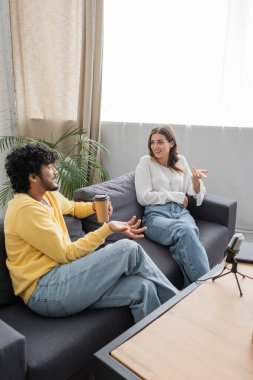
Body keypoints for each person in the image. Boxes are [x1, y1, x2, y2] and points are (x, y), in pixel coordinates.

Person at [4, 143, 178, 324]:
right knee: (128, 248)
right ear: (33, 177)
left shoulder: (47, 196)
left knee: (143, 288)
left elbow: (72, 207)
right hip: (44, 290)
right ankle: (179, 306)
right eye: (49, 167)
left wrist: (94, 206)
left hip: (61, 278)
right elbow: (66, 254)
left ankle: (152, 346)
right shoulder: (25, 210)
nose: (55, 171)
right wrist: (107, 228)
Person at [135, 124, 210, 287]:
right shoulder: (145, 162)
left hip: (180, 213)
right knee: (186, 231)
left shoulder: (181, 161)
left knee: (186, 240)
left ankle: (187, 295)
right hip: (155, 216)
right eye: (152, 142)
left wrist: (196, 181)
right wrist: (176, 196)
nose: (155, 146)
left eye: (160, 142)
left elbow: (192, 191)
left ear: (171, 143)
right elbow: (143, 197)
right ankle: (206, 287)